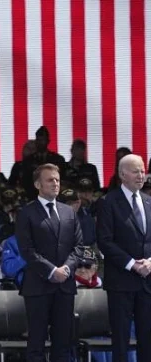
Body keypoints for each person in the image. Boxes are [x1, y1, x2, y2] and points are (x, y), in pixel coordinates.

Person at [15, 163, 83, 362]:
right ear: (38, 184)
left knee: (63, 344)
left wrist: (67, 268)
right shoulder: (26, 212)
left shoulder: (68, 212)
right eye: (50, 180)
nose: (55, 183)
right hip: (38, 286)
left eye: (57, 180)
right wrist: (52, 271)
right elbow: (27, 250)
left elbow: (79, 246)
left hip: (65, 286)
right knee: (36, 343)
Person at [96, 153, 151, 361]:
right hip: (121, 281)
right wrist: (132, 264)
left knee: (147, 338)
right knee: (121, 340)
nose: (141, 175)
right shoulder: (108, 202)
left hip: (147, 281)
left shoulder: (148, 201)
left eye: (143, 170)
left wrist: (149, 262)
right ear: (122, 174)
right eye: (136, 171)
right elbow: (105, 241)